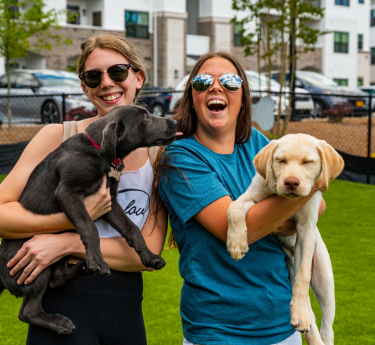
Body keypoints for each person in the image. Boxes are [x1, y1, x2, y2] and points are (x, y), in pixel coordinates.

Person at [0, 34, 167, 345]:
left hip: (126, 310)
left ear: (138, 77)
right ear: (85, 87)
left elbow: (149, 251)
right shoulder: (57, 136)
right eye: (93, 76)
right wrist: (71, 225)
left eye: (117, 71)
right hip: (61, 304)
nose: (106, 83)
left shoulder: (158, 157)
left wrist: (65, 243)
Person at [158, 51, 326, 345]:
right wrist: (307, 181)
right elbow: (232, 229)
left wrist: (288, 200)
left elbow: (318, 207)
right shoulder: (180, 158)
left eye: (230, 81)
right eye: (202, 81)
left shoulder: (258, 144)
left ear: (243, 95)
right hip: (218, 331)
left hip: (283, 325)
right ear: (191, 96)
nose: (216, 87)